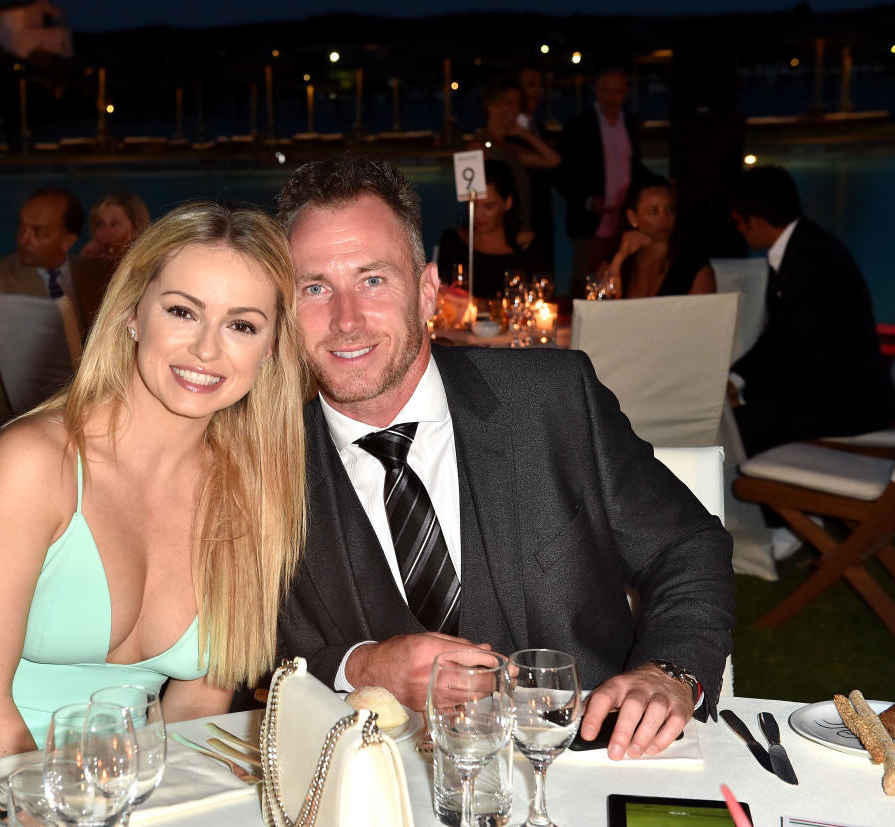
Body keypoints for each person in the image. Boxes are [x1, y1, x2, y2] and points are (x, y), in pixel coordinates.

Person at [275, 156, 734, 762]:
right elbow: (241, 648)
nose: (346, 319)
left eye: (373, 279)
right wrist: (360, 665)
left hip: (589, 764)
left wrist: (670, 671)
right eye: (314, 288)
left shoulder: (554, 401)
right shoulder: (261, 462)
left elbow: (688, 545)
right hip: (378, 781)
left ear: (428, 291)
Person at [0, 201, 308, 794]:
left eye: (241, 325)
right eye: (183, 311)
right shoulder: (31, 465)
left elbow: (198, 700)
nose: (207, 350)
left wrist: (158, 801)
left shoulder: (247, 495)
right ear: (132, 313)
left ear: (270, 348)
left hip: (115, 795)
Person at [728, 165, 895, 456]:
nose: (738, 229)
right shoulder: (801, 248)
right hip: (825, 392)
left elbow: (810, 357)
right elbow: (776, 339)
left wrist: (746, 397)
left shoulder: (817, 261)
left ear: (754, 220)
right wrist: (735, 380)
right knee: (729, 421)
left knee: (731, 428)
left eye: (737, 220)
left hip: (848, 404)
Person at [0, 187, 114, 420]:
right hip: (31, 414)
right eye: (22, 227)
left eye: (39, 232)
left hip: (98, 404)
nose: (23, 239)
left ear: (68, 240)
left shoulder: (95, 275)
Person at [558, 67, 651, 286]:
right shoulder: (578, 126)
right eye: (605, 91)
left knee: (624, 275)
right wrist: (588, 201)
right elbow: (563, 173)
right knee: (586, 278)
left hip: (625, 219)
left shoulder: (629, 123)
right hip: (591, 222)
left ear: (625, 92)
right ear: (596, 92)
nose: (610, 97)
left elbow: (634, 166)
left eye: (616, 91)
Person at [470, 79, 560, 252]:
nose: (515, 110)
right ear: (491, 105)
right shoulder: (477, 147)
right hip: (503, 238)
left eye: (517, 105)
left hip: (520, 234)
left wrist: (524, 134)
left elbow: (553, 161)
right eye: (508, 103)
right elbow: (473, 200)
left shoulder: (510, 148)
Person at [435, 159, 546, 298]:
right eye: (473, 205)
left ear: (508, 203)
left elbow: (540, 297)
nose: (478, 214)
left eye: (489, 206)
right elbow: (441, 294)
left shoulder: (525, 247)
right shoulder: (453, 241)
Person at [604, 177, 716, 299]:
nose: (664, 218)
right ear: (632, 217)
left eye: (669, 209)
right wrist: (619, 257)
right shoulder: (618, 263)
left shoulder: (693, 266)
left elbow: (706, 314)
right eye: (653, 211)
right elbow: (598, 306)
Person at [516, 66, 557, 269]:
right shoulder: (508, 135)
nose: (537, 91)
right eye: (530, 85)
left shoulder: (539, 128)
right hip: (519, 219)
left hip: (542, 217)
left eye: (539, 85)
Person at [81, 191, 151, 266]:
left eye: (114, 224)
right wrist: (85, 262)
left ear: (137, 227)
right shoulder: (93, 258)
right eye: (100, 224)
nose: (106, 232)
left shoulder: (149, 264)